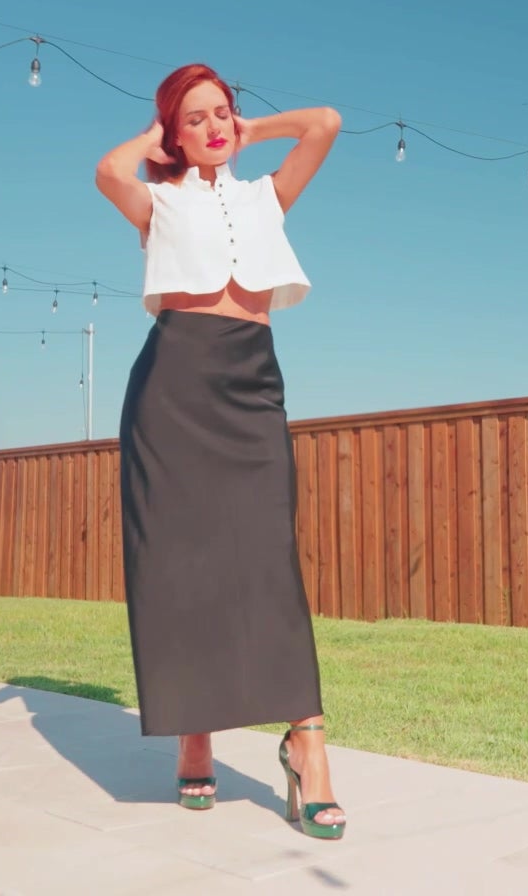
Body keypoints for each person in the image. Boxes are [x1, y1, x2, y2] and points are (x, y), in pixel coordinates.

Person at [94, 64, 346, 840]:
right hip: (173, 385)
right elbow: (109, 170)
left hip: (249, 385)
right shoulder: (158, 202)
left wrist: (247, 128)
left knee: (269, 558)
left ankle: (307, 742)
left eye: (221, 113)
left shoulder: (265, 195)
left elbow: (326, 121)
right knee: (181, 566)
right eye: (195, 117)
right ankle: (194, 737)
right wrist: (159, 138)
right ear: (173, 130)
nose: (212, 126)